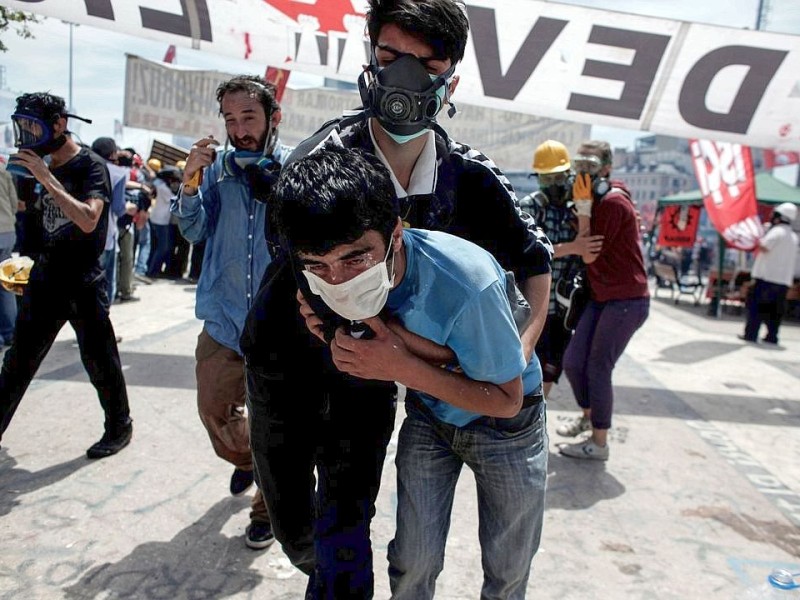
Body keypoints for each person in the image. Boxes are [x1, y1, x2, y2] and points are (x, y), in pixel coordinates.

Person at [240, 0, 553, 595]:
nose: (404, 79)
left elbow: (534, 258)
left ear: (450, 77)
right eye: (390, 58)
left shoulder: (471, 177)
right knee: (293, 522)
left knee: (345, 523)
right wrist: (325, 320)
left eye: (426, 63)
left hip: (374, 379)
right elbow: (296, 267)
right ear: (370, 59)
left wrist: (516, 347)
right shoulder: (320, 159)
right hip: (290, 363)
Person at [273, 146, 548, 599]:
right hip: (432, 419)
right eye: (320, 266)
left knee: (508, 566)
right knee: (413, 560)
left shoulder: (466, 282)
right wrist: (336, 335)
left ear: (395, 235)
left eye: (356, 259)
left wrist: (401, 364)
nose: (338, 281)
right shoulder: (318, 274)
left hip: (507, 429)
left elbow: (505, 398)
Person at [170, 75, 292, 549]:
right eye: (231, 119)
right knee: (215, 414)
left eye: (249, 117)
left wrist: (279, 190)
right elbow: (194, 232)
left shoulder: (297, 165)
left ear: (273, 118)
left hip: (279, 326)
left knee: (273, 426)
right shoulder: (216, 169)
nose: (239, 129)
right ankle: (248, 462)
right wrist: (190, 180)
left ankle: (265, 509)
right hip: (222, 321)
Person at [0, 92, 132, 457]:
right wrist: (20, 260)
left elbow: (90, 220)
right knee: (17, 363)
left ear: (59, 124)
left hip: (83, 282)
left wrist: (46, 177)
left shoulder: (90, 166)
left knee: (100, 359)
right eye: (22, 126)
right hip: (45, 279)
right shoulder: (34, 164)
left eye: (34, 125)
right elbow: (31, 220)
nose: (27, 133)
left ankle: (120, 427)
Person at [558, 140, 649, 461]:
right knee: (573, 362)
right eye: (578, 167)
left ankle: (599, 443)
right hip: (602, 296)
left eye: (590, 168)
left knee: (597, 367)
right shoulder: (599, 200)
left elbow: (588, 249)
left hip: (625, 299)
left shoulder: (612, 204)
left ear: (607, 170)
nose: (582, 174)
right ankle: (588, 415)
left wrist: (582, 209)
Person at [527, 140, 603, 402]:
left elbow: (588, 250)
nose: (554, 186)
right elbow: (531, 251)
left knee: (552, 365)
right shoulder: (531, 206)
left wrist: (584, 210)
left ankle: (540, 409)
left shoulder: (575, 206)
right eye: (547, 180)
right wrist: (573, 247)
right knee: (527, 361)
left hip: (562, 307)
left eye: (559, 178)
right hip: (534, 302)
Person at [739, 202, 798, 344]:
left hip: (766, 278)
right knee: (775, 312)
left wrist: (756, 237)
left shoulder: (777, 232)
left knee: (756, 308)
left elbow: (764, 247)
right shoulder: (793, 237)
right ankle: (772, 336)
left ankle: (751, 334)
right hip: (783, 281)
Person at [0, 161, 20, 346]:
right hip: (6, 231)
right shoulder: (3, 169)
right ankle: (10, 332)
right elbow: (14, 203)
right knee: (5, 284)